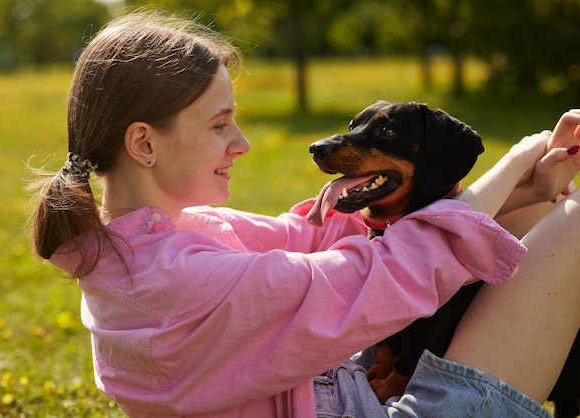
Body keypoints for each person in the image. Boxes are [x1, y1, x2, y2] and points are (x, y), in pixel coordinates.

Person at [28, 10, 580, 418]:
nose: (241, 143)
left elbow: (316, 235)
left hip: (349, 389)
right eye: (220, 124)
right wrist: (516, 159)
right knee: (574, 224)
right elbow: (389, 273)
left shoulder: (142, 247)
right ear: (144, 144)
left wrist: (525, 191)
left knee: (530, 222)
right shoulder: (183, 280)